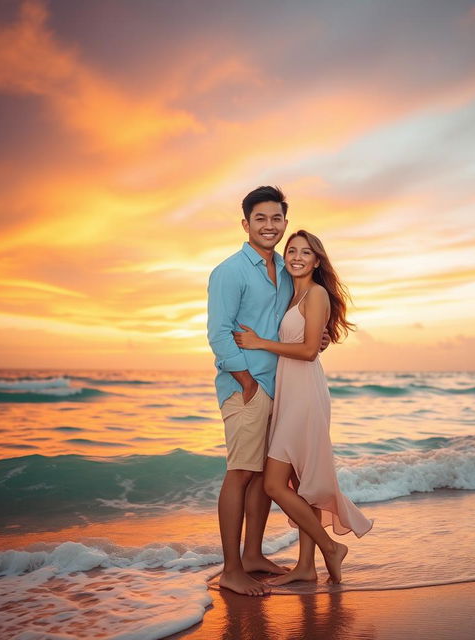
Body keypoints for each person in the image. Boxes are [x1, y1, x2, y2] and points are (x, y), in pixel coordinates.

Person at [207, 186, 329, 596]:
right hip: (248, 386)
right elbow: (219, 332)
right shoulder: (230, 271)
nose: (269, 225)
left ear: (285, 223)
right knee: (240, 473)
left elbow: (292, 322)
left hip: (283, 388)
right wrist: (245, 382)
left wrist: (317, 338)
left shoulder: (285, 266)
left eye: (276, 218)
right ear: (246, 224)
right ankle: (231, 569)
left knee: (261, 479)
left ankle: (253, 555)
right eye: (260, 218)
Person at [234, 230, 373, 585]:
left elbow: (310, 350)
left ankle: (330, 547)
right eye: (291, 250)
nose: (296, 256)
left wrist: (260, 342)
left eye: (305, 252)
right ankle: (306, 567)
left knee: (274, 484)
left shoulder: (316, 293)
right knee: (303, 481)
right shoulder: (293, 294)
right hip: (291, 392)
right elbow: (312, 342)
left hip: (305, 396)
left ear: (316, 260)